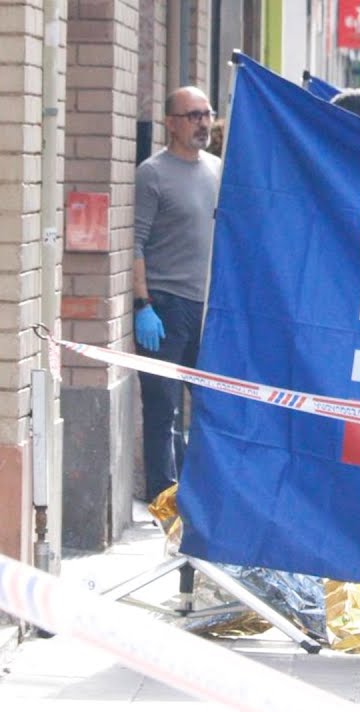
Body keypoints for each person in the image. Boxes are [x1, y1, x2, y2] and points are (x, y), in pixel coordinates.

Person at [133, 86, 221, 502]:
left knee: (210, 405)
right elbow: (135, 242)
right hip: (166, 306)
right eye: (193, 115)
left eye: (207, 114)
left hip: (208, 310)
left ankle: (198, 489)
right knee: (162, 407)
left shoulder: (218, 170)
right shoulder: (153, 173)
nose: (203, 122)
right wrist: (142, 303)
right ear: (170, 123)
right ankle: (161, 496)